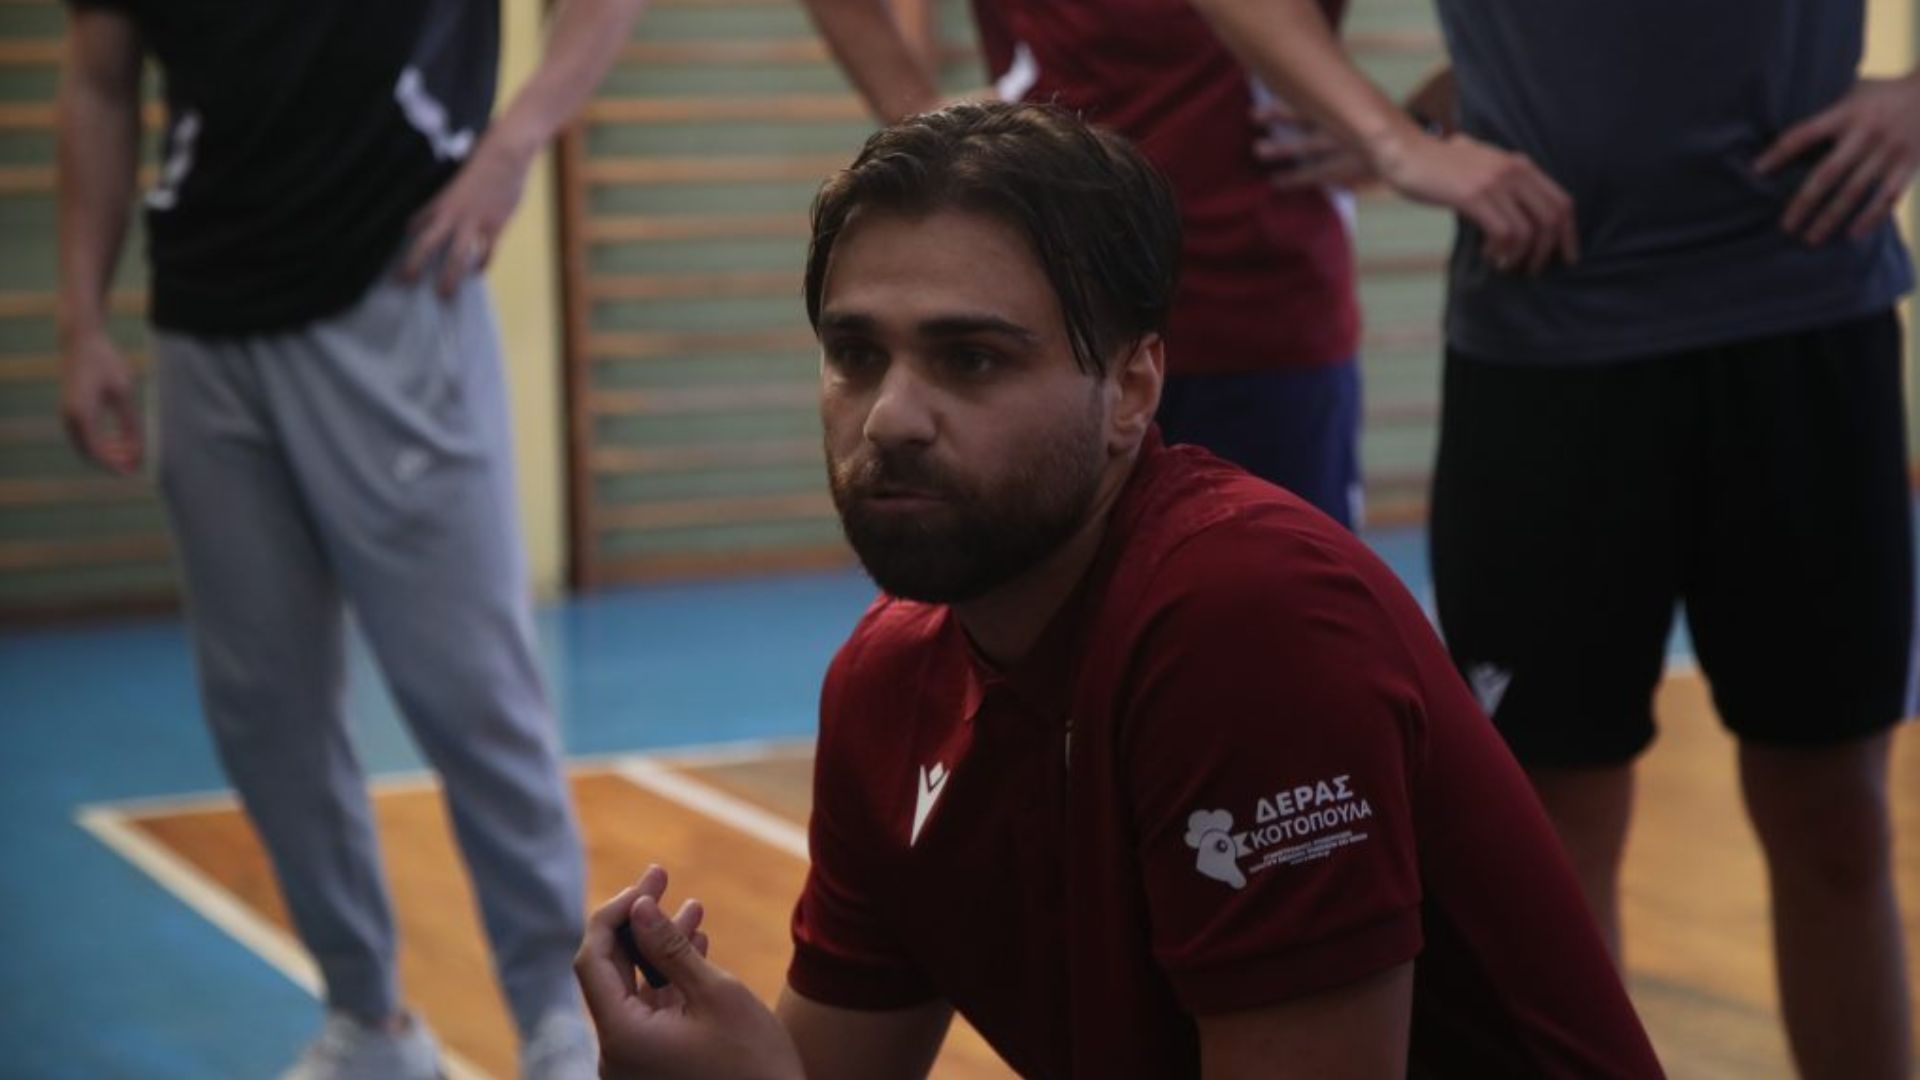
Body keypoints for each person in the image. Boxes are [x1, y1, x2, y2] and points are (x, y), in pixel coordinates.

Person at [573, 102, 1664, 1079]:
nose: (891, 417)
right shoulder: (888, 685)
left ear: (1133, 389)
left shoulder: (1246, 621)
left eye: (972, 359)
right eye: (855, 355)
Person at [1180, 1, 1920, 1076]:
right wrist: (1394, 138)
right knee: (1551, 847)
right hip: (1545, 345)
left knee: (1836, 816)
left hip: (1803, 315)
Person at [57, 0, 644, 1075]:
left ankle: (560, 1022)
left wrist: (514, 144)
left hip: (399, 278)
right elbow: (99, 79)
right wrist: (81, 317)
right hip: (203, 315)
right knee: (263, 709)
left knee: (471, 688)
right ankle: (368, 1023)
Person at [792, 0, 1552, 529]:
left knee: (1275, 641)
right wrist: (924, 119)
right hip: (1052, 309)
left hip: (1261, 299)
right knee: (1041, 646)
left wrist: (1407, 126)